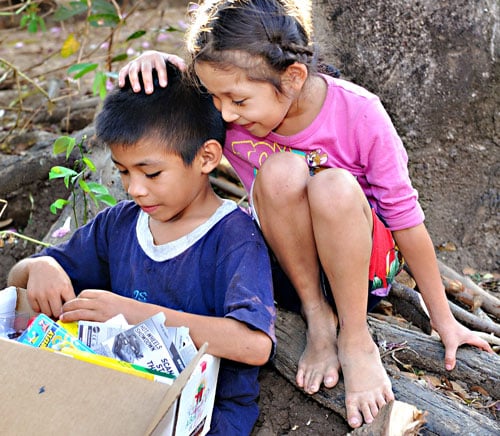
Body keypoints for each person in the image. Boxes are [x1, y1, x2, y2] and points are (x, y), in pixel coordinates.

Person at [117, 0, 495, 429]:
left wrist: (443, 319)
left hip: (359, 269)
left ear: (293, 78)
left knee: (332, 184)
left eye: (236, 99)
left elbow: (405, 219)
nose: (223, 113)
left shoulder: (359, 112)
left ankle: (354, 337)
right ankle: (318, 317)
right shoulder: (232, 106)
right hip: (287, 267)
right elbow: (181, 112)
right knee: (278, 172)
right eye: (215, 96)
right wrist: (158, 66)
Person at [7, 60, 276, 435]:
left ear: (206, 158)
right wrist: (43, 269)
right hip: (114, 397)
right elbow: (18, 277)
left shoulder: (233, 237)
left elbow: (253, 345)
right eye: (122, 171)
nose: (135, 188)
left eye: (151, 174)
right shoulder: (119, 223)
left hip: (203, 414)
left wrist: (134, 313)